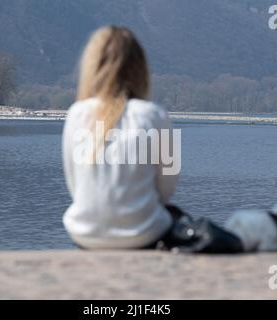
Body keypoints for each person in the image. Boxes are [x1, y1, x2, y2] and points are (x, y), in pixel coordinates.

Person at [62, 26, 242, 253]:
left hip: (85, 234)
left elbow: (75, 186)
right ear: (140, 69)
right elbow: (167, 189)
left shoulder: (76, 114)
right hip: (143, 234)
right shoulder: (156, 115)